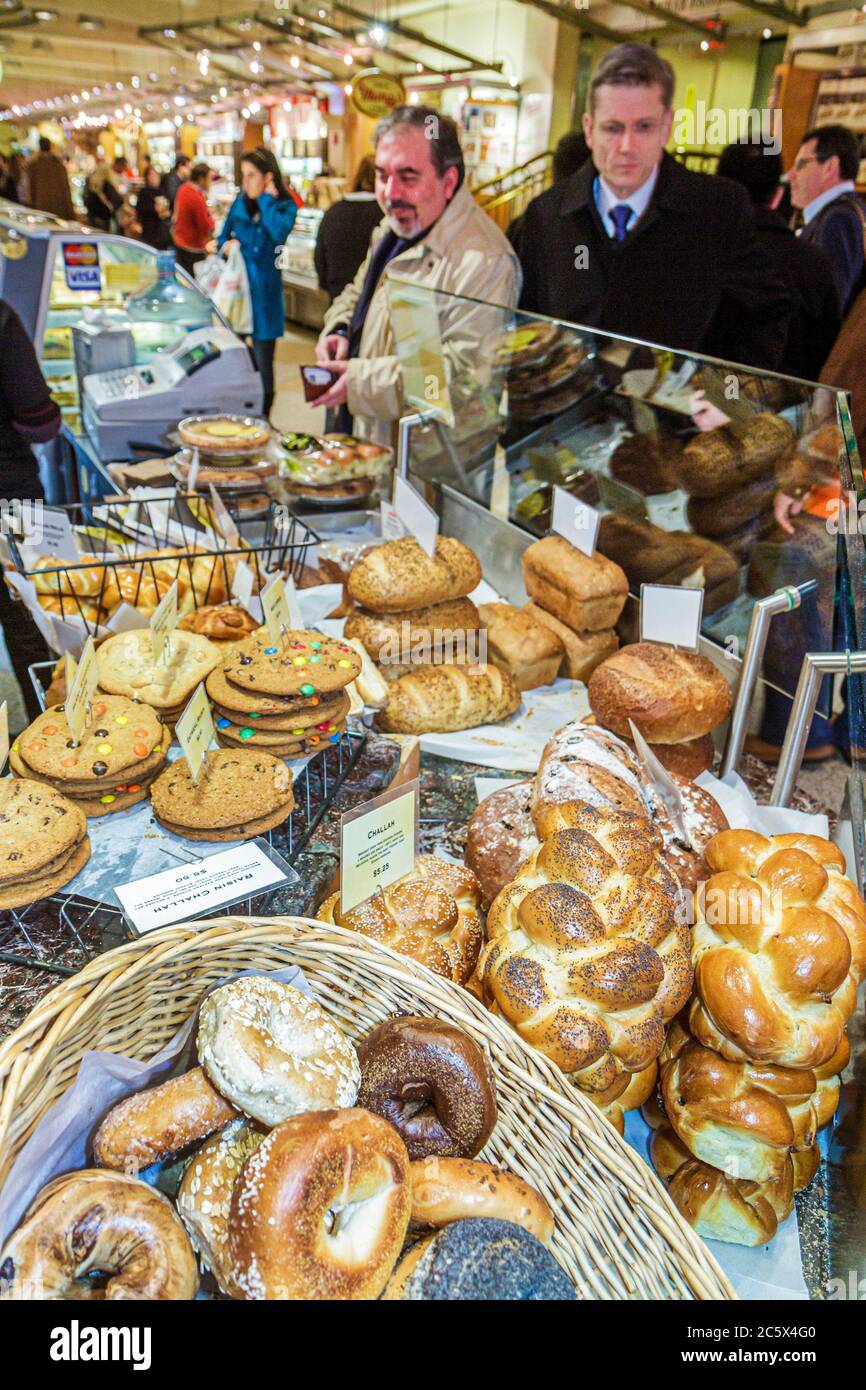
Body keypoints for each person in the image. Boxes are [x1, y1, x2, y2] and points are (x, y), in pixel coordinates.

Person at [510, 43, 792, 370]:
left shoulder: (717, 210)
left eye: (643, 127)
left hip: (675, 416)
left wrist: (724, 398)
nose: (627, 147)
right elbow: (526, 326)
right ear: (589, 129)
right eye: (612, 128)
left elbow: (767, 314)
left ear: (666, 127)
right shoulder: (546, 215)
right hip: (571, 415)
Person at [314, 105, 520, 433]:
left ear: (448, 181)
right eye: (382, 176)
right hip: (374, 436)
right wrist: (339, 329)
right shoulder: (391, 229)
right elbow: (357, 293)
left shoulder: (484, 260)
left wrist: (360, 382)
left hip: (429, 466)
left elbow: (464, 377)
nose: (391, 193)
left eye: (408, 177)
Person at [715, 140, 842, 382]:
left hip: (691, 403)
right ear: (777, 195)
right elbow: (825, 353)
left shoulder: (692, 251)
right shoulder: (815, 264)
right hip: (783, 409)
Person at [0, 297, 62, 725]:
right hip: (12, 493)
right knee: (35, 622)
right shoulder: (2, 316)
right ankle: (52, 736)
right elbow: (39, 419)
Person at [217, 147, 298, 418]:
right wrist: (226, 246)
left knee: (265, 366)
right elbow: (220, 240)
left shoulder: (284, 206)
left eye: (252, 175)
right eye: (244, 176)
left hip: (265, 296)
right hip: (238, 294)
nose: (247, 182)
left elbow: (278, 234)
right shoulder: (239, 203)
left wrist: (265, 199)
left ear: (268, 177)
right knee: (236, 362)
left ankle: (264, 419)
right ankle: (238, 416)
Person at [789, 124, 866, 317]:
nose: (791, 175)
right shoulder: (847, 210)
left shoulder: (838, 218)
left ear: (830, 167)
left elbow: (830, 306)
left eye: (800, 164)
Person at [313, 155, 383, 303]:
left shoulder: (334, 211)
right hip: (375, 301)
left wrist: (327, 285)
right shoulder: (385, 215)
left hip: (338, 296)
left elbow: (319, 257)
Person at [172, 163, 216, 278]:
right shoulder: (196, 197)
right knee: (195, 281)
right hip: (193, 248)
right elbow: (205, 227)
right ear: (201, 179)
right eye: (209, 178)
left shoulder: (183, 188)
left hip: (180, 242)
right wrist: (212, 220)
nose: (210, 182)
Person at [27, 137, 75, 221]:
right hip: (58, 209)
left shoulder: (34, 166)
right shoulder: (58, 166)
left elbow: (30, 189)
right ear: (50, 147)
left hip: (40, 209)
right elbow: (66, 190)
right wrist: (70, 213)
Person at [135, 164, 172, 250]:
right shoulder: (144, 192)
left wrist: (167, 213)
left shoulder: (162, 191)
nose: (154, 178)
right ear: (147, 177)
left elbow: (168, 206)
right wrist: (154, 209)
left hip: (163, 231)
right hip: (150, 230)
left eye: (156, 175)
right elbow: (140, 209)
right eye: (151, 175)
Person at [84, 160, 122, 231]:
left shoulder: (108, 172)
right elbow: (95, 186)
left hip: (100, 212)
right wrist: (107, 203)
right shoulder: (106, 170)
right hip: (100, 212)